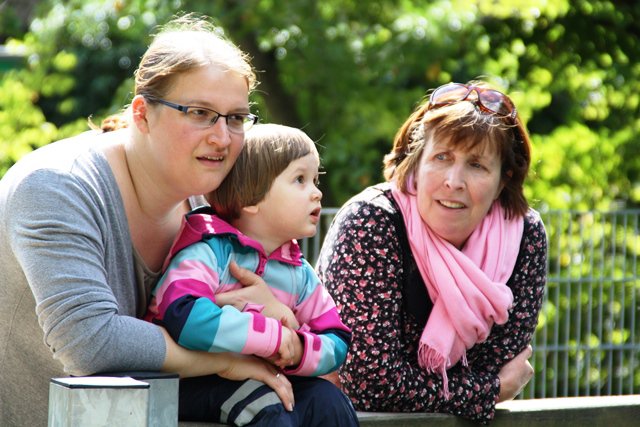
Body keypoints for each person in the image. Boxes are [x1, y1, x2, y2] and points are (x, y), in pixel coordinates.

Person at [0, 14, 299, 426]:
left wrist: (273, 308)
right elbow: (89, 342)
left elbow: (279, 323)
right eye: (200, 112)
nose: (222, 138)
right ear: (142, 113)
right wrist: (223, 359)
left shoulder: (208, 201)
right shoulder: (56, 188)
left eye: (235, 118)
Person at [316, 81, 547, 424]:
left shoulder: (524, 235)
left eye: (477, 165)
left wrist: (428, 387)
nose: (454, 181)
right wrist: (490, 390)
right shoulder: (370, 221)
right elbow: (369, 382)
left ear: (502, 180)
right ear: (416, 162)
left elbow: (500, 362)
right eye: (442, 157)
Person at [145, 123, 357, 426]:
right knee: (265, 405)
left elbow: (337, 338)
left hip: (261, 376)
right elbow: (185, 315)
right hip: (191, 378)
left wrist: (297, 349)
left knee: (328, 401)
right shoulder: (209, 250)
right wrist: (271, 338)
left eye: (315, 179)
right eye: (300, 179)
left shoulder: (298, 270)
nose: (317, 192)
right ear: (251, 199)